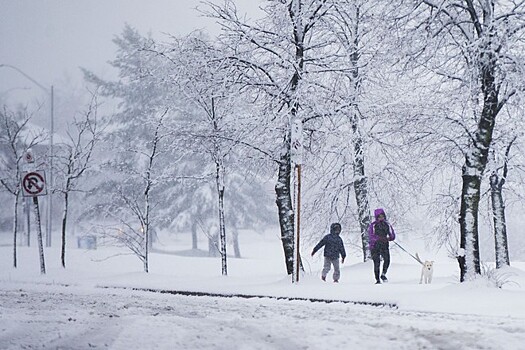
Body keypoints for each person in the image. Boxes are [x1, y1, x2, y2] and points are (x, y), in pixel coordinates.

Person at [368, 208, 396, 284]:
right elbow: (371, 236)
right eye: (379, 216)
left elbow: (392, 235)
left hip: (384, 245)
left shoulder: (387, 224)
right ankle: (377, 279)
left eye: (382, 216)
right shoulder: (373, 225)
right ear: (376, 217)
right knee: (376, 263)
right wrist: (379, 238)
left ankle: (383, 274)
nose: (381, 218)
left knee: (387, 260)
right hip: (375, 246)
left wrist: (389, 238)